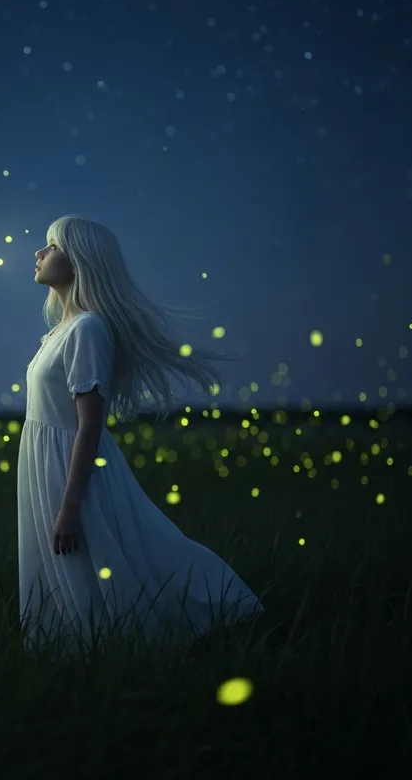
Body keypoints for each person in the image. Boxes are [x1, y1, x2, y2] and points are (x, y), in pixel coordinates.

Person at [17, 214, 265, 661]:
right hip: (48, 464)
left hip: (73, 468)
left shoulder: (87, 329)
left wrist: (71, 505)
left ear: (79, 260)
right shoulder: (59, 331)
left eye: (50, 246)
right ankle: (79, 650)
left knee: (136, 548)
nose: (39, 253)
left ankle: (216, 612)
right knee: (87, 559)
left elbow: (89, 424)